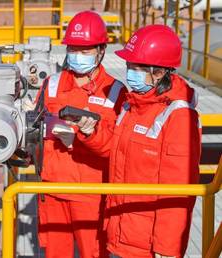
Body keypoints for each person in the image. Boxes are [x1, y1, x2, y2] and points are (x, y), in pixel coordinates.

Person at [73, 25, 201, 258]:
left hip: (148, 245)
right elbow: (114, 148)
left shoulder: (178, 115)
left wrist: (167, 248)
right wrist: (91, 132)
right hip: (120, 232)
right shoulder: (133, 104)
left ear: (160, 72)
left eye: (137, 67)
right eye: (129, 66)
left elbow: (178, 190)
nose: (130, 73)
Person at [35, 11, 126, 258]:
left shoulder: (115, 92)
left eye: (85, 51)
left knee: (94, 254)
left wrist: (85, 134)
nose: (78, 56)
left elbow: (116, 147)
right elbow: (34, 129)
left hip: (92, 194)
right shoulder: (51, 85)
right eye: (73, 49)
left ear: (101, 51)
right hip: (53, 190)